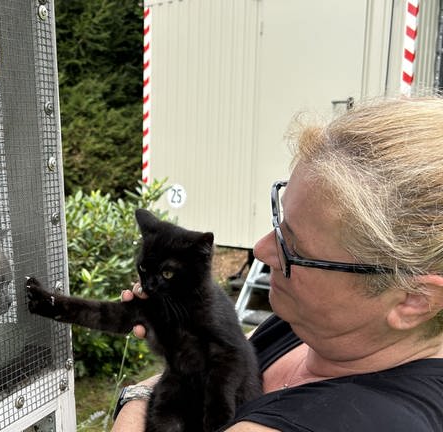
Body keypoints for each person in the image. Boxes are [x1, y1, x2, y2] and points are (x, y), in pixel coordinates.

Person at [112, 96, 443, 431]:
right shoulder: (316, 326)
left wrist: (136, 398)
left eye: (295, 248)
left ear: (414, 301)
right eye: (279, 223)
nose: (261, 250)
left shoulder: (371, 417)